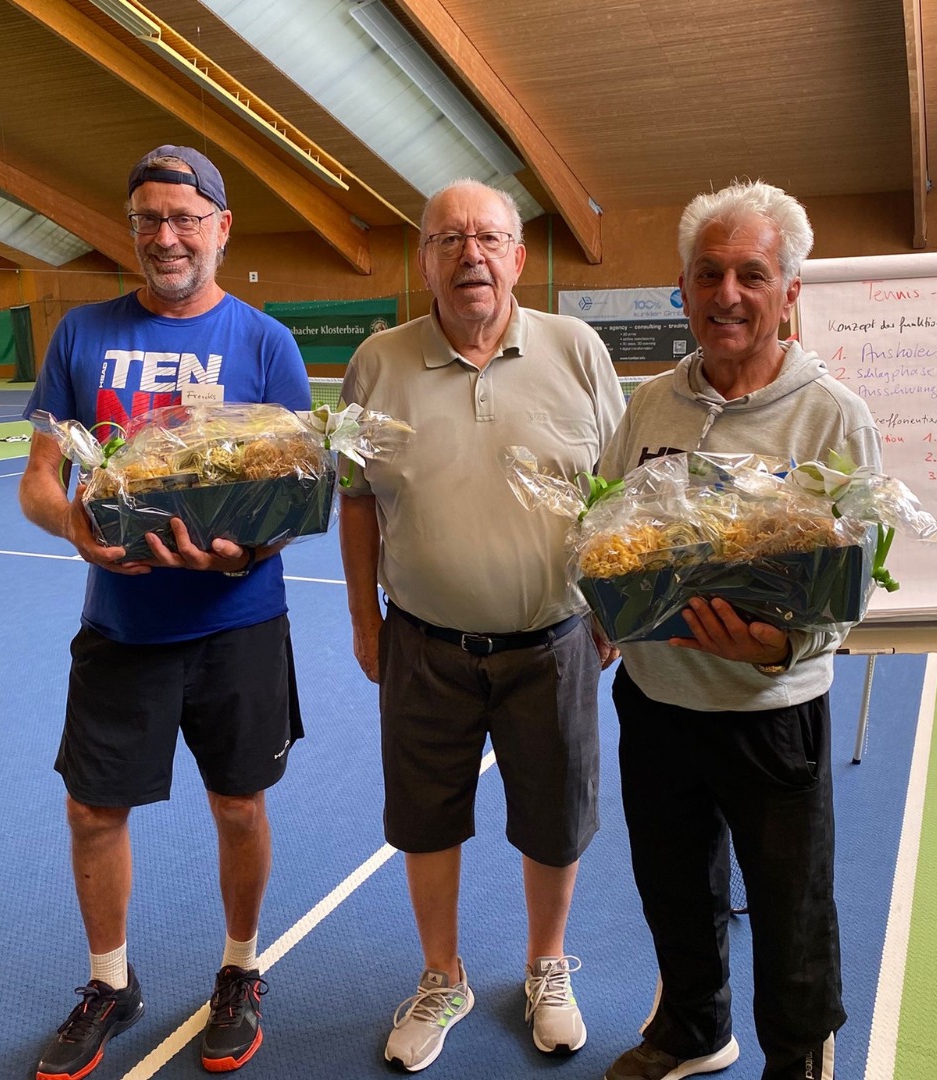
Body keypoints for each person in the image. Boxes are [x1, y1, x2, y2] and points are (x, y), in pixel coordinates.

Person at [19, 145, 309, 1079]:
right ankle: (111, 981)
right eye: (149, 218)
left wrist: (246, 547)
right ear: (133, 230)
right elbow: (39, 481)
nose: (167, 235)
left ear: (222, 228)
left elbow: (304, 493)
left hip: (237, 622)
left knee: (239, 803)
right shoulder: (82, 335)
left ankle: (239, 966)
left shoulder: (266, 341)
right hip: (122, 626)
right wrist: (74, 525)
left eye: (186, 218)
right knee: (93, 810)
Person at [338, 177, 625, 1072]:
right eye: (450, 238)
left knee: (555, 819)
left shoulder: (578, 351)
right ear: (424, 257)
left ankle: (546, 965)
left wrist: (616, 603)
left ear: (518, 255)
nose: (471, 254)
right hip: (423, 643)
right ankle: (442, 975)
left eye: (489, 237)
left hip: (557, 641)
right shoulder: (377, 362)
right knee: (426, 821)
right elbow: (354, 498)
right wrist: (363, 618)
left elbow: (624, 495)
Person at [599, 180, 882, 1080]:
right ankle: (692, 1030)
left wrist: (783, 646)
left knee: (792, 904)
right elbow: (604, 525)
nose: (727, 294)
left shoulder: (832, 415)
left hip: (770, 708)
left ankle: (797, 1056)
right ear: (682, 285)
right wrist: (606, 603)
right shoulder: (649, 405)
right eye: (708, 273)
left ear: (789, 290)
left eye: (751, 275)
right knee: (674, 888)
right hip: (657, 698)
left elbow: (852, 583)